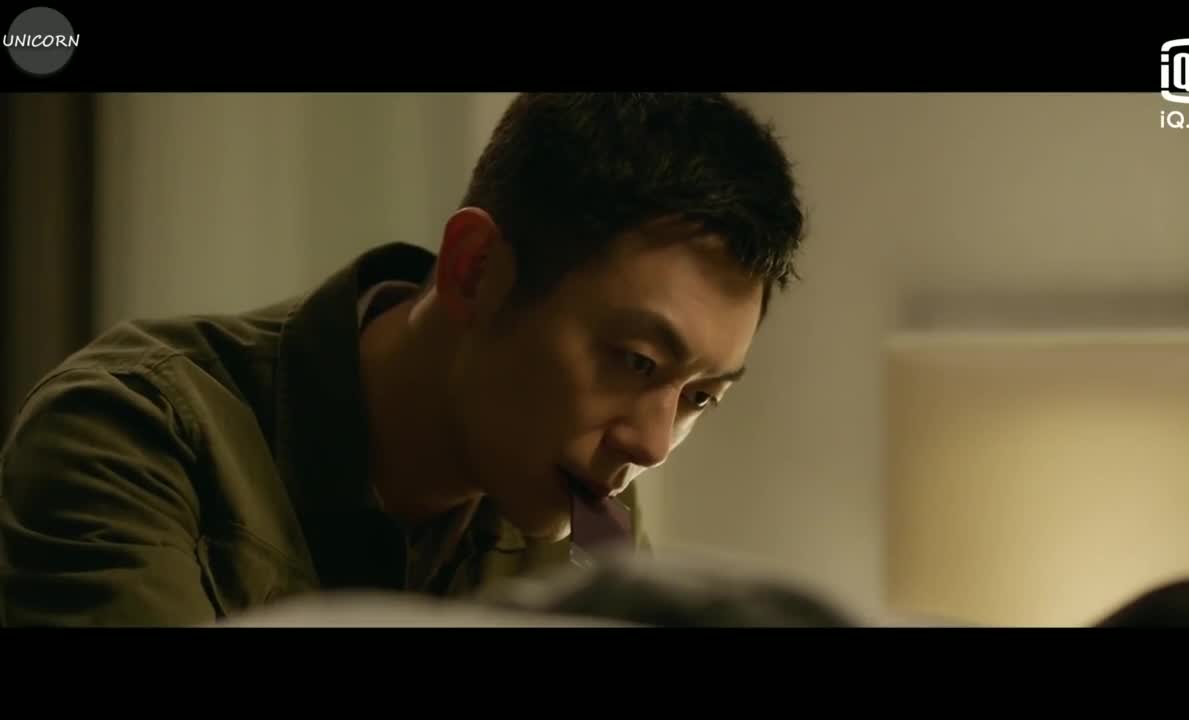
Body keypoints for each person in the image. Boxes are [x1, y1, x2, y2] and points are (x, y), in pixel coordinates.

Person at [0, 92, 807, 626]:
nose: (654, 444)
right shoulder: (135, 432)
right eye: (634, 361)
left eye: (700, 397)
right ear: (473, 270)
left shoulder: (590, 524)